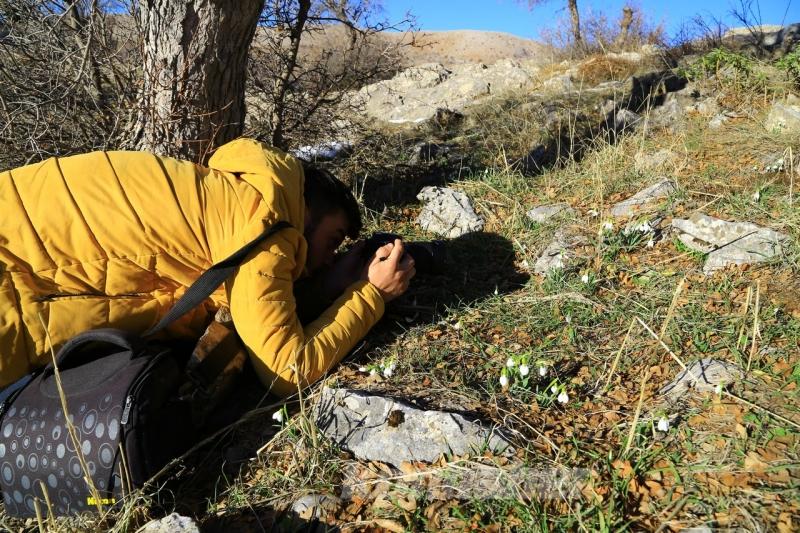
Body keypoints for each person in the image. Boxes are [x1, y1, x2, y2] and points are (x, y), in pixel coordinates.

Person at [0, 138, 416, 397]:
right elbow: (289, 371)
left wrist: (329, 290)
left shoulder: (233, 198)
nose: (328, 257)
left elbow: (247, 306)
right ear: (309, 207)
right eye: (333, 240)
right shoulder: (264, 217)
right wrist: (372, 295)